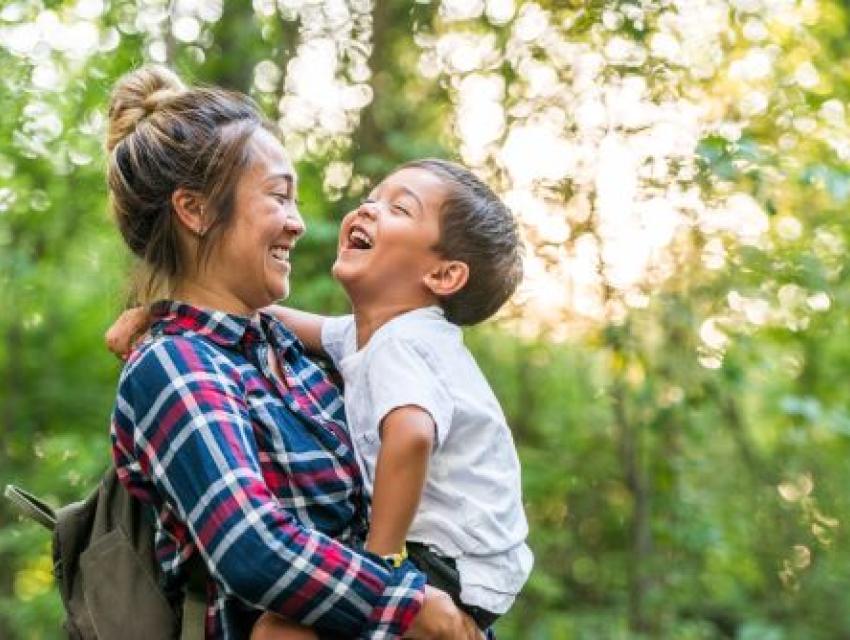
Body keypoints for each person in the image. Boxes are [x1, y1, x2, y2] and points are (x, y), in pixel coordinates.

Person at [104, 64, 481, 639]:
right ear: (196, 210)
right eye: (279, 197)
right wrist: (417, 609)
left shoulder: (293, 354)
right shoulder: (173, 365)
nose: (298, 224)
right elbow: (253, 547)